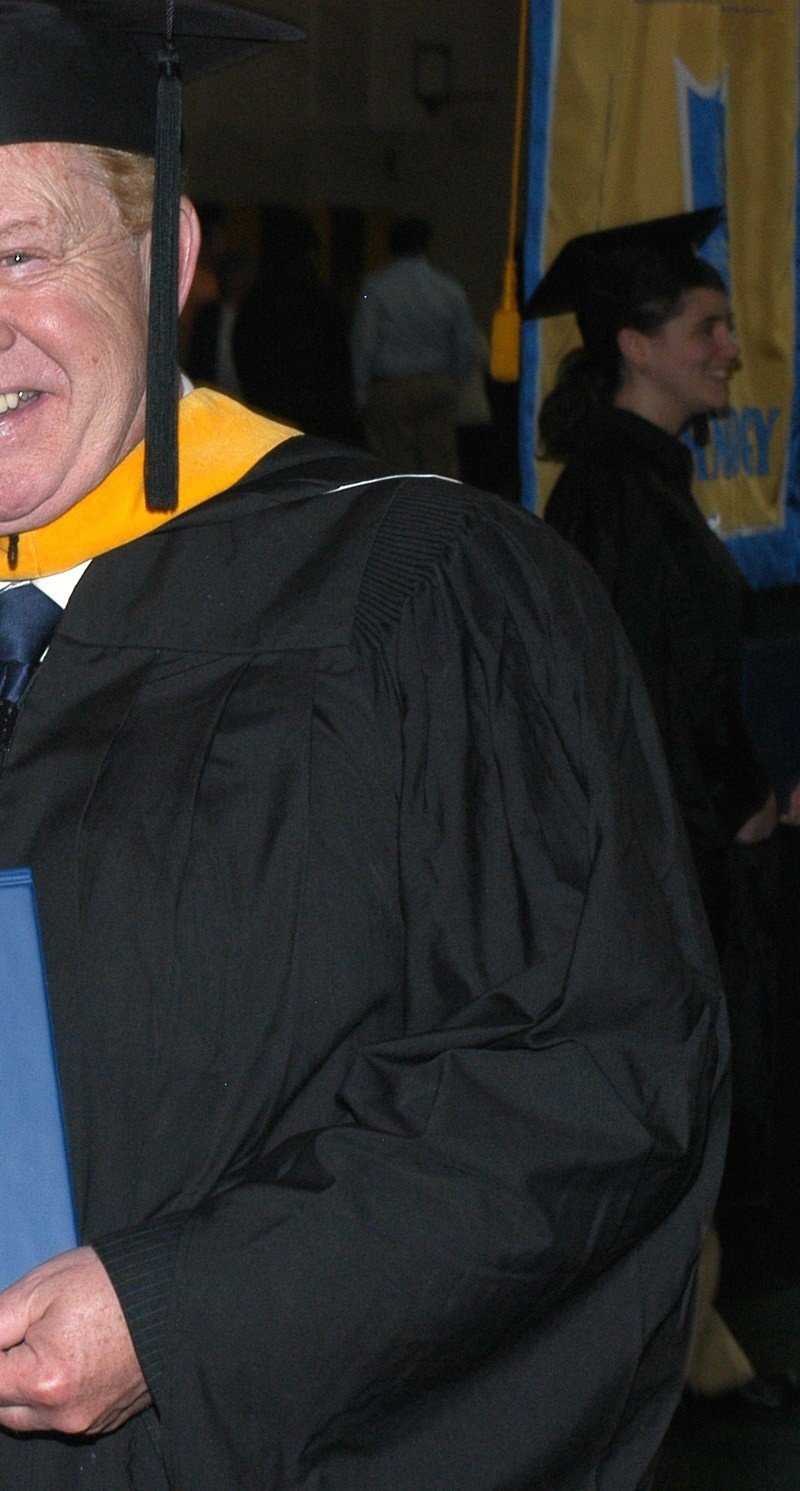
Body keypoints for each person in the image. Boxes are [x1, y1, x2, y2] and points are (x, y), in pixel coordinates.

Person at [0, 0, 725, 1485]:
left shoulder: (421, 601)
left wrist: (188, 1309)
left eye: (19, 253)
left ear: (168, 258)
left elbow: (593, 1077)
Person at [530, 207, 794, 1418]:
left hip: (694, 853)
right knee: (674, 1112)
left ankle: (694, 1337)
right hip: (664, 870)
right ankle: (665, 1353)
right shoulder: (613, 504)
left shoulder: (643, 490)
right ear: (636, 346)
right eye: (708, 326)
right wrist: (732, 803)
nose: (732, 347)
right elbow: (626, 697)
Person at [350, 216, 485, 478]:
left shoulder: (373, 288)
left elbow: (363, 343)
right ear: (426, 245)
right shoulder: (450, 289)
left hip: (392, 388)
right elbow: (466, 343)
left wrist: (361, 393)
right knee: (440, 465)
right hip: (438, 383)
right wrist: (453, 380)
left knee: (394, 466)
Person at [231, 203, 359, 442]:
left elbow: (244, 353)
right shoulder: (318, 299)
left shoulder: (258, 299)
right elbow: (338, 362)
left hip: (267, 416)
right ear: (310, 252)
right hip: (318, 418)